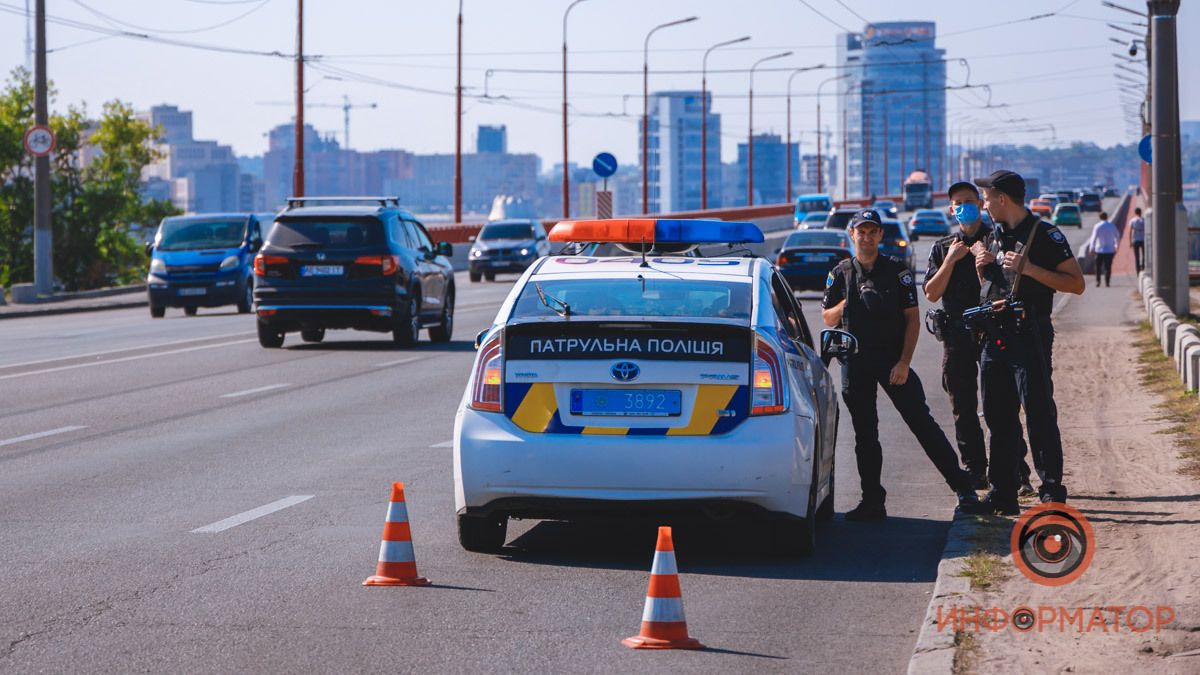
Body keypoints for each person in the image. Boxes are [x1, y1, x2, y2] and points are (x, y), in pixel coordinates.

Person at [822, 209, 981, 521]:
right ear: (852, 235)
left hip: (894, 361)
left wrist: (904, 362)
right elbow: (827, 317)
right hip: (855, 362)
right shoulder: (840, 273)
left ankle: (964, 488)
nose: (866, 237)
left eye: (872, 232)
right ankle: (872, 501)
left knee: (922, 424)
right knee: (864, 434)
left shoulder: (897, 272)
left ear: (881, 235)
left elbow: (912, 320)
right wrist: (847, 303)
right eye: (861, 232)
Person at [972, 170, 1085, 514]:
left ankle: (1051, 490)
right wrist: (982, 267)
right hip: (995, 336)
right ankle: (1003, 492)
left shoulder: (1045, 235)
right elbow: (994, 286)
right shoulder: (994, 236)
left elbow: (1076, 284)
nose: (984, 204)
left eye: (988, 197)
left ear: (1003, 199)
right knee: (998, 416)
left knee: (1038, 412)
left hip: (1029, 334)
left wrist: (1031, 269)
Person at [924, 182, 1035, 495]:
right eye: (958, 203)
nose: (964, 207)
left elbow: (1008, 283)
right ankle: (975, 471)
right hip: (956, 335)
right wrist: (951, 260)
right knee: (963, 407)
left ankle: (1016, 472)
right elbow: (932, 292)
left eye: (970, 201)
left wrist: (982, 261)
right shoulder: (943, 246)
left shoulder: (995, 239)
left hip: (992, 332)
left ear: (980, 204)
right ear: (951, 209)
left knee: (1000, 407)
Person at [1087, 211, 1119, 287]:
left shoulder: (1097, 226)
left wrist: (1091, 248)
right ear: (1107, 217)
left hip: (1099, 250)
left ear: (1100, 217)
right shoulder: (1112, 225)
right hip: (1110, 250)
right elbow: (1117, 236)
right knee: (1108, 267)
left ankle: (1098, 281)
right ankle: (1107, 282)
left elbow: (1093, 238)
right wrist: (1116, 246)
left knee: (1098, 266)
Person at [1130, 207, 1146, 274]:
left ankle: (1138, 271)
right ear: (1140, 212)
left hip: (1135, 239)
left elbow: (1130, 231)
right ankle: (1143, 266)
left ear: (1135, 212)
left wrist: (1130, 241)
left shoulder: (1132, 220)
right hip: (1143, 239)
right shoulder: (1144, 220)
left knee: (1137, 256)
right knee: (1144, 255)